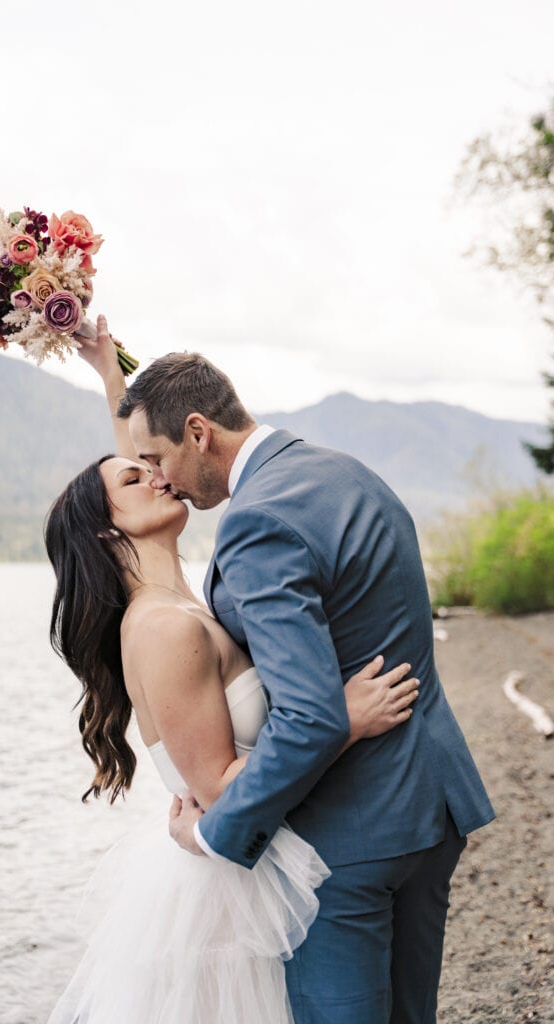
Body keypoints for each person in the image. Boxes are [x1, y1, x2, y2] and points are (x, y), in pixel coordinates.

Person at [111, 322, 496, 1024]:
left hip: (351, 835)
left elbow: (313, 714)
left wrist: (211, 834)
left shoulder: (257, 521)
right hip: (429, 805)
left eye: (157, 458)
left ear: (199, 432)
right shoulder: (339, 470)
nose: (158, 477)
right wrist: (105, 367)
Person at [43, 318, 421, 1024]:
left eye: (153, 460)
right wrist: (342, 718)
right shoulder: (160, 628)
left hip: (262, 857)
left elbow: (143, 453)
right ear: (109, 530)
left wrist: (107, 370)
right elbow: (215, 788)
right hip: (225, 888)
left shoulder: (179, 596)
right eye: (137, 474)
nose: (156, 474)